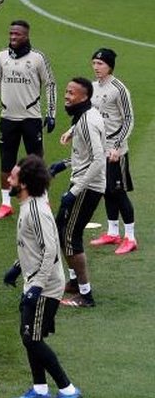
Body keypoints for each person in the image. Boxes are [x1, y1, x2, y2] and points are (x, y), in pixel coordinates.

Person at [3, 155, 83, 398]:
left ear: (24, 183)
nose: (8, 180)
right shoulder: (30, 204)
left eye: (13, 177)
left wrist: (36, 286)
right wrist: (17, 267)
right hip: (35, 280)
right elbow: (33, 248)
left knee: (32, 338)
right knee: (29, 335)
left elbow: (50, 250)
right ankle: (39, 389)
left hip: (45, 285)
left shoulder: (36, 210)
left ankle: (68, 389)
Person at [0, 20, 56, 219]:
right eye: (11, 33)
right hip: (8, 118)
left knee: (36, 160)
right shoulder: (2, 56)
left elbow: (50, 85)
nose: (13, 37)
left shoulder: (38, 58)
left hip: (31, 118)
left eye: (17, 34)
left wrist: (51, 113)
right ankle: (5, 204)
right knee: (6, 161)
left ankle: (42, 197)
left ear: (26, 36)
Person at [50, 77, 106, 308]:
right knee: (61, 230)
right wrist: (64, 163)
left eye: (71, 93)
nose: (66, 96)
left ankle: (86, 294)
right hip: (82, 182)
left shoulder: (87, 122)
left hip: (88, 187)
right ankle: (73, 282)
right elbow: (84, 156)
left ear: (84, 97)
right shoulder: (85, 117)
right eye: (66, 91)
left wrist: (75, 191)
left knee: (71, 237)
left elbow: (98, 159)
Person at [87, 48, 137, 255]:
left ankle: (131, 237)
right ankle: (113, 232)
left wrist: (117, 146)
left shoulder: (119, 89)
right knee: (106, 191)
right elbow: (88, 115)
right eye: (94, 63)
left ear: (110, 66)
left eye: (100, 64)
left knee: (118, 192)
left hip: (115, 151)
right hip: (99, 150)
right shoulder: (92, 87)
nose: (96, 67)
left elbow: (128, 119)